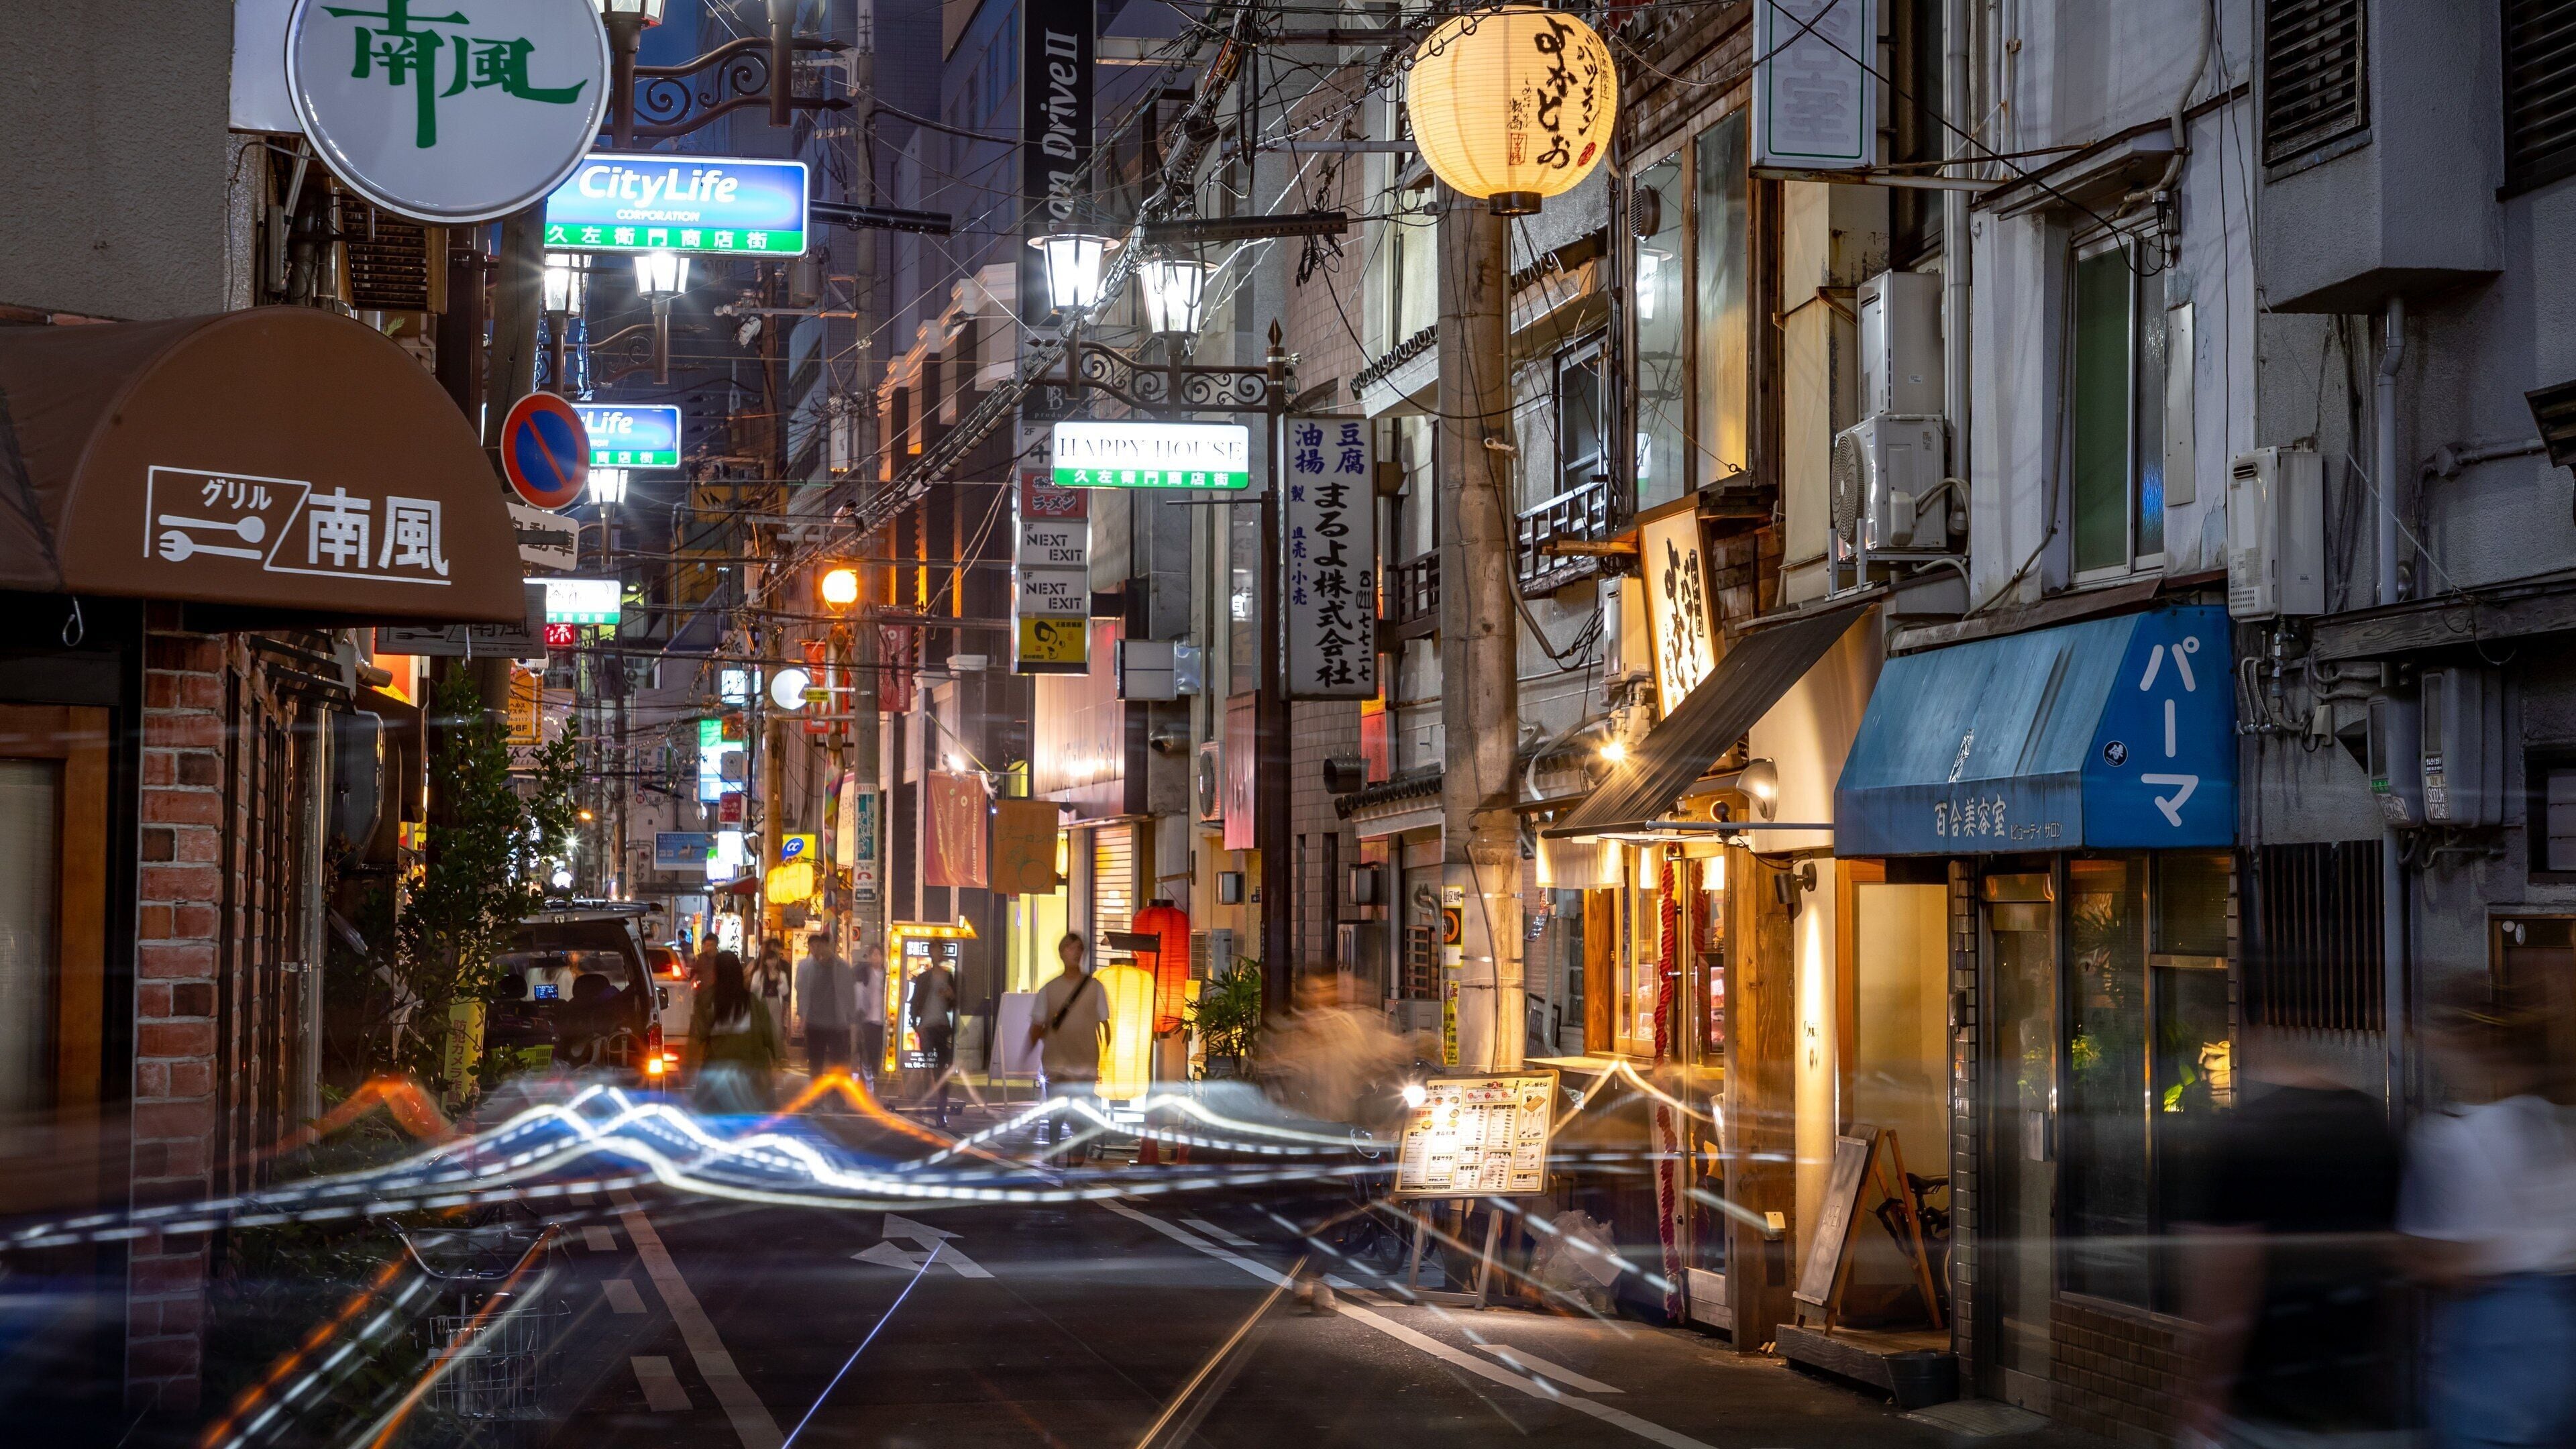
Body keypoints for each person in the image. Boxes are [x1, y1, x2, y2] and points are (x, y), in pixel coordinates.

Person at [2179, 1028, 2407, 1448]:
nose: (2214, 1069)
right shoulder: (2373, 1125)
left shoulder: (2249, 1133)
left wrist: (2209, 1391)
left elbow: (2231, 1279)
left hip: (2268, 1404)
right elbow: (2394, 1258)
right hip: (2357, 1398)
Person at [2402, 983, 2576, 1449]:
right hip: (2564, 1320)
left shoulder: (2446, 1138)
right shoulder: (2563, 1125)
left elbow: (2453, 1267)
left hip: (2493, 1333)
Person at [1028, 932, 1111, 1159]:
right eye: (1071, 948)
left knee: (1081, 1117)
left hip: (1085, 1062)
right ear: (1062, 953)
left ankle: (1075, 1161)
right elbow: (1037, 1024)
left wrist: (1104, 1057)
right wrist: (1028, 1049)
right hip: (1057, 1062)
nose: (1075, 952)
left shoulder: (1095, 987)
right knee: (1057, 1111)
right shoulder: (1049, 989)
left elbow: (1105, 1024)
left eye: (1079, 948)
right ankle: (1056, 1149)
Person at [686, 950, 782, 1113]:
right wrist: (778, 1060)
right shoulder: (753, 1002)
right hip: (750, 1071)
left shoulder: (707, 1000)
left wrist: (689, 1064)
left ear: (717, 973)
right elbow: (770, 1036)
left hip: (716, 1072)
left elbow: (697, 1036)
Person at [796, 932, 855, 1078]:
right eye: (819, 946)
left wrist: (851, 1019)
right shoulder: (805, 967)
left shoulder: (842, 967)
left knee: (838, 1062)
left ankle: (836, 1094)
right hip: (814, 1022)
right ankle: (817, 1095)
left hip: (837, 1022)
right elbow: (801, 992)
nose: (823, 949)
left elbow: (849, 994)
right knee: (816, 1063)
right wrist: (802, 1015)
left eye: (826, 945)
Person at [910, 948, 959, 1124]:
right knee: (927, 1069)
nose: (938, 955)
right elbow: (915, 1001)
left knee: (940, 1071)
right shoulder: (924, 978)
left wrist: (951, 996)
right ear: (932, 953)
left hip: (942, 1026)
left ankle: (940, 1111)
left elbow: (955, 1004)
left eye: (940, 951)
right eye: (935, 951)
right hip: (927, 1027)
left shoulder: (949, 977)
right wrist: (916, 1024)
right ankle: (924, 1107)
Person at [853, 945, 888, 1088]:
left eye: (879, 955)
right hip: (866, 1018)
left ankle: (871, 1076)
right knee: (865, 1049)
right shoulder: (863, 972)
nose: (876, 958)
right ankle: (868, 1081)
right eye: (873, 955)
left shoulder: (887, 975)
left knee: (876, 1050)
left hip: (881, 1019)